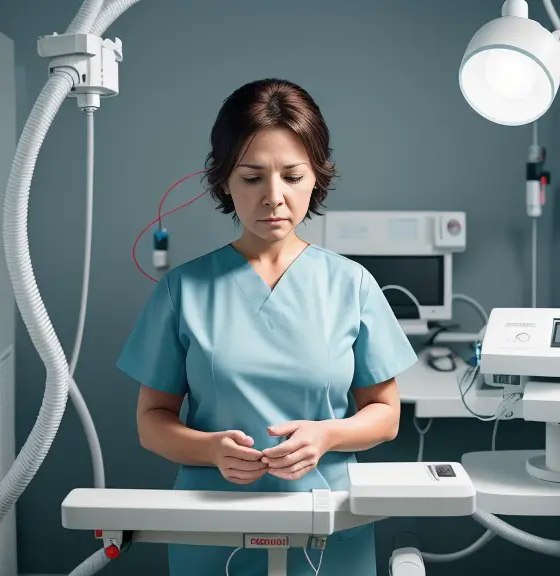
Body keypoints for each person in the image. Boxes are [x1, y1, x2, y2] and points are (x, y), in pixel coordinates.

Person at [116, 78, 418, 575]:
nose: (273, 198)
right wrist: (209, 449)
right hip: (211, 525)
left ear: (316, 178)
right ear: (224, 182)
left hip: (327, 524)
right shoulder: (184, 291)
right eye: (252, 177)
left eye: (292, 176)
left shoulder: (352, 284)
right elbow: (152, 421)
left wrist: (326, 436)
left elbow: (384, 415)